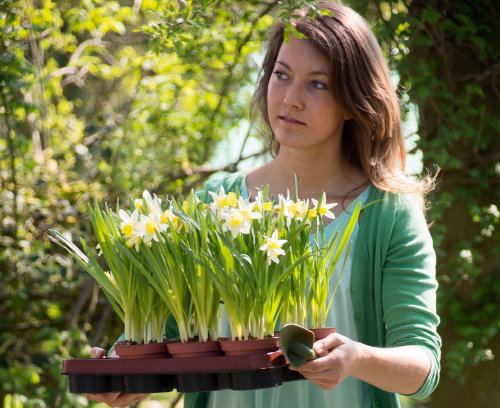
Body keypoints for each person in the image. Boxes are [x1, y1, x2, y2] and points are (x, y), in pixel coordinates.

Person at [86, 1, 441, 407]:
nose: (290, 99)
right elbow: (168, 333)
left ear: (352, 100)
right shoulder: (215, 203)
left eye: (317, 84)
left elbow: (423, 366)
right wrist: (122, 371)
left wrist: (359, 358)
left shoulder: (388, 212)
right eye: (281, 75)